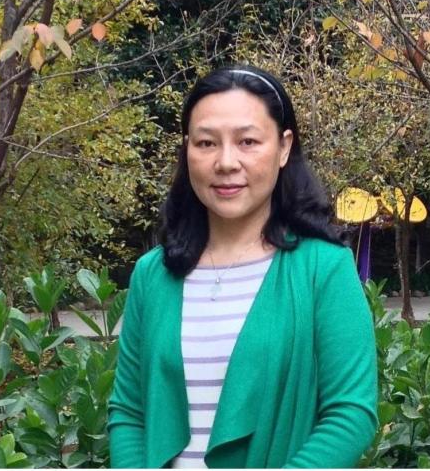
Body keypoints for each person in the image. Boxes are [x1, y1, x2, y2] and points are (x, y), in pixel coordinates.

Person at [108, 66, 378, 469]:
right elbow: (129, 411)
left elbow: (351, 413)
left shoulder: (324, 269)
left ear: (284, 147)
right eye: (206, 143)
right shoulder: (153, 274)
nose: (226, 162)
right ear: (187, 149)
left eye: (247, 141)